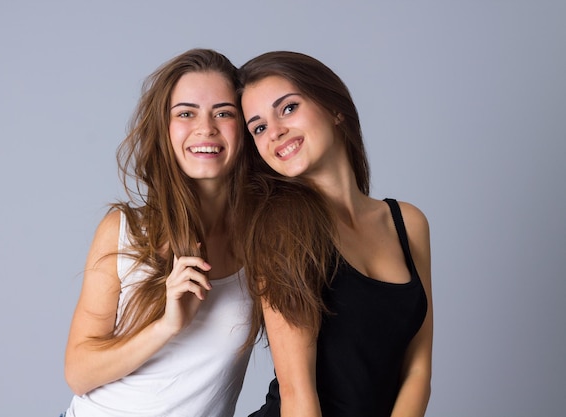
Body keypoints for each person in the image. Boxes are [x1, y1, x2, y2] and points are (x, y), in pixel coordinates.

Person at [236, 51, 433, 417]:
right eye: (258, 127)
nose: (275, 131)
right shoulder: (280, 232)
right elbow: (298, 397)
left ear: (335, 108)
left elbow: (417, 369)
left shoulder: (408, 223)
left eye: (288, 108)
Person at [61, 48, 252, 417]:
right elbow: (78, 373)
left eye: (224, 113)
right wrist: (167, 325)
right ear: (165, 130)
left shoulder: (264, 243)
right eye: (185, 113)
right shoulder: (126, 230)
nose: (206, 128)